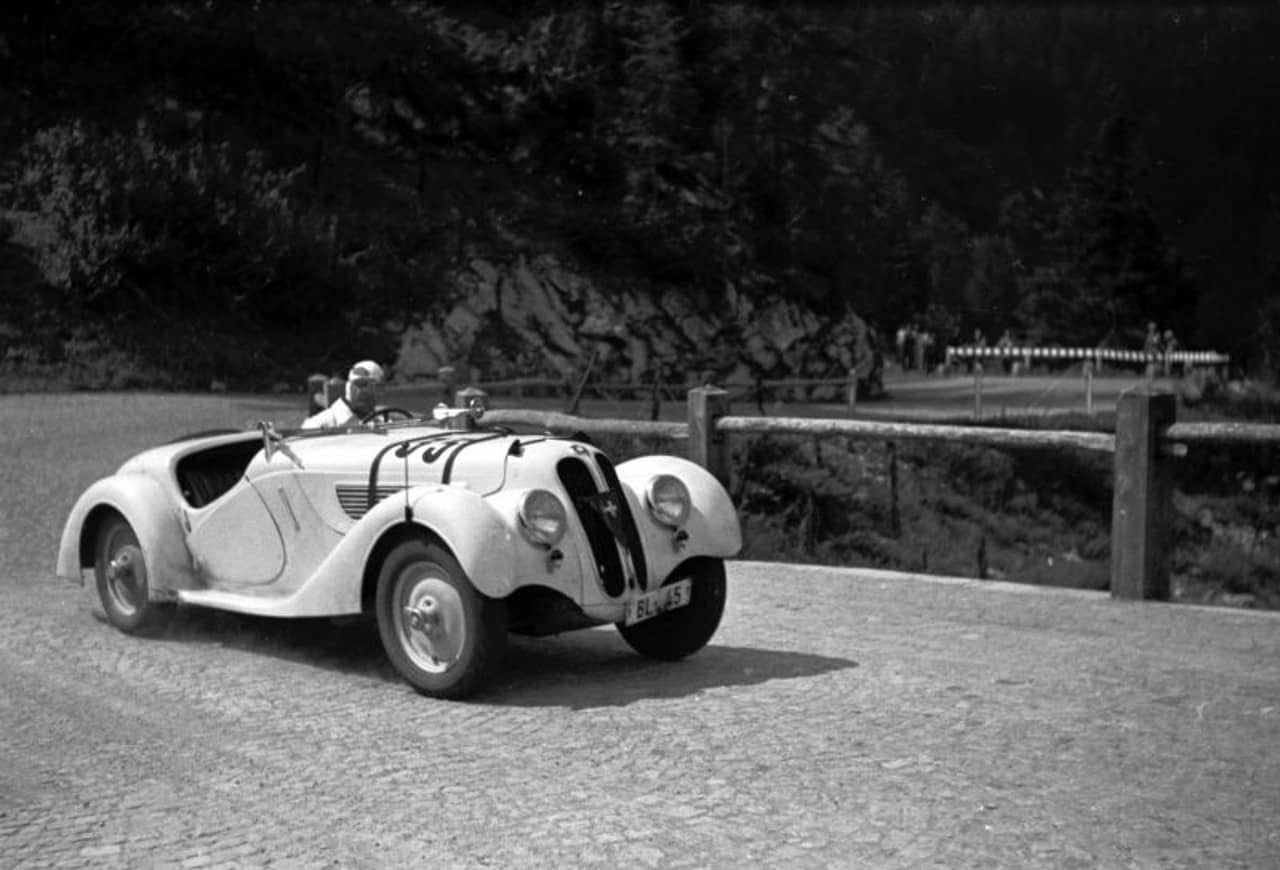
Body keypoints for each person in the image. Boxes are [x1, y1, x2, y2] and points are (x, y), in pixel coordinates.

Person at [301, 360, 386, 429]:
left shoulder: (386, 421)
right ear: (348, 387)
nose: (365, 391)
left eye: (375, 386)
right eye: (360, 385)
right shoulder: (316, 425)